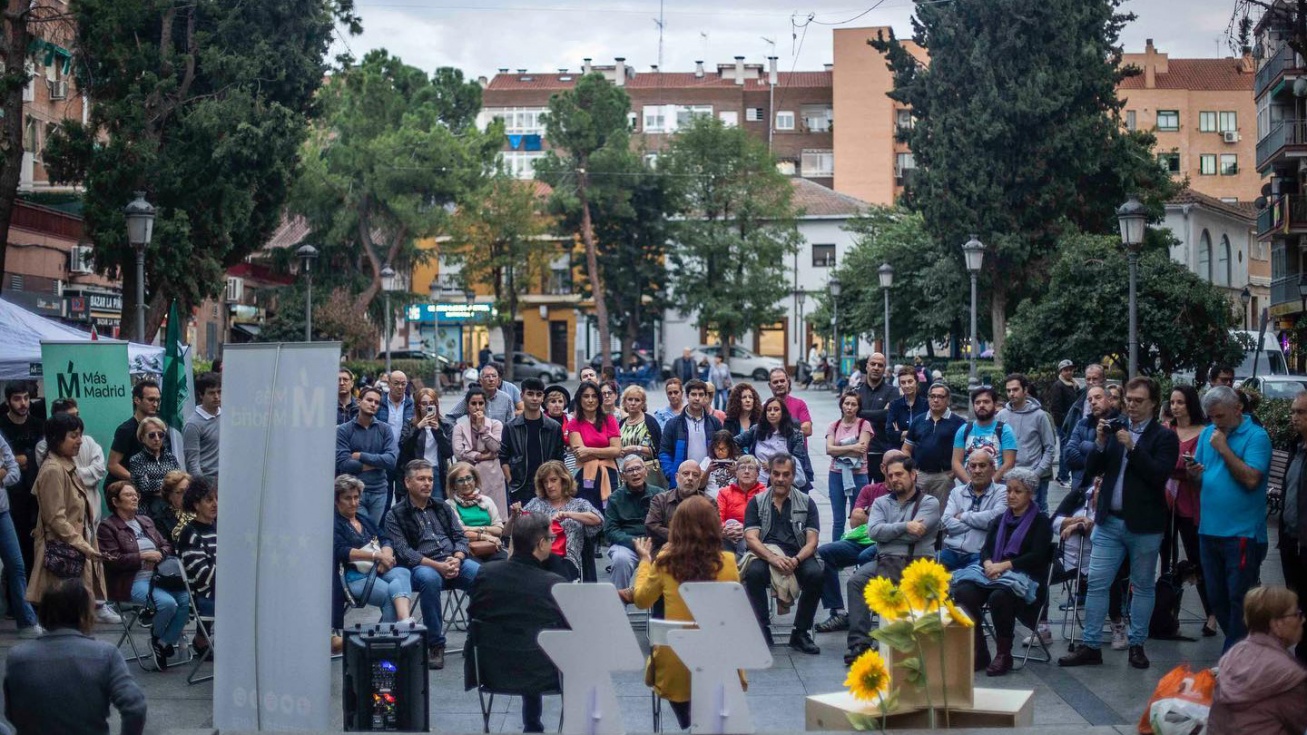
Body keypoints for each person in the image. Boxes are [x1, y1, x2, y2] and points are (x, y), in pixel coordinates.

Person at [1059, 377, 1178, 670]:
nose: (1132, 406)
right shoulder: (1115, 427)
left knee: (1142, 585)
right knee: (1097, 582)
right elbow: (1092, 470)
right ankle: (1090, 646)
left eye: (1139, 401)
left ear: (1153, 403)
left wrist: (1134, 448)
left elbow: (1158, 475)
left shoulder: (1164, 437)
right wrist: (1100, 443)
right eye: (1129, 400)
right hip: (1109, 522)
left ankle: (1137, 645)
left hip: (1145, 524)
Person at [633, 495, 742, 729]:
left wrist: (644, 561)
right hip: (719, 662)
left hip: (676, 665)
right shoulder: (729, 562)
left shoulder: (664, 562)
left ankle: (691, 722)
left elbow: (642, 600)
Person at [464, 513, 567, 734]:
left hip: (490, 669)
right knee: (541, 644)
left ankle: (533, 724)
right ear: (540, 544)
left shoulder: (485, 574)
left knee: (525, 640)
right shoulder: (554, 584)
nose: (552, 541)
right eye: (551, 538)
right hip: (544, 674)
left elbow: (473, 615)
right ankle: (533, 725)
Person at [4, 578, 147, 735]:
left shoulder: (17, 658)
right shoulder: (106, 654)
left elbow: (11, 713)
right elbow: (135, 707)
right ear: (83, 615)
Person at [1188, 385, 1273, 652]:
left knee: (1239, 598)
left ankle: (1234, 658)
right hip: (1209, 530)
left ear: (1238, 409)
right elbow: (1202, 479)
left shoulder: (1256, 436)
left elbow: (1250, 479)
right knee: (1217, 598)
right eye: (1211, 417)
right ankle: (1240, 651)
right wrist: (1193, 473)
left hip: (1243, 534)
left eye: (1220, 416)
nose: (1216, 423)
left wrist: (1224, 449)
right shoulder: (1207, 435)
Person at [950, 467, 1052, 676]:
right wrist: (988, 563)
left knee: (1000, 596)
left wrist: (1004, 566)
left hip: (1026, 578)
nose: (1011, 495)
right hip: (993, 574)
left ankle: (1004, 654)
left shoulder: (1040, 522)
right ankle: (978, 650)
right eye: (1009, 490)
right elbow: (986, 548)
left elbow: (1038, 556)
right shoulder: (1000, 519)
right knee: (963, 591)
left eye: (1018, 491)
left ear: (1030, 494)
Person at [844, 456, 941, 664]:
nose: (894, 479)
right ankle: (859, 644)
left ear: (913, 475)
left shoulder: (930, 503)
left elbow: (919, 533)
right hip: (886, 561)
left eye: (900, 474)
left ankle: (908, 640)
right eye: (890, 476)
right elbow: (874, 532)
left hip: (917, 562)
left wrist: (890, 532)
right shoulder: (880, 503)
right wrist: (906, 526)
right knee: (856, 581)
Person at [385, 459, 479, 670]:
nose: (427, 483)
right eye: (421, 479)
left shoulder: (442, 506)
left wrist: (458, 557)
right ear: (407, 483)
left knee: (481, 576)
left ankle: (475, 638)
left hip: (452, 560)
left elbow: (460, 537)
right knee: (429, 578)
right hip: (422, 566)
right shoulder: (395, 514)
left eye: (430, 479)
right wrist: (438, 566)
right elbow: (405, 552)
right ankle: (435, 645)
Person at [98, 482, 191, 670]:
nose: (135, 498)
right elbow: (111, 559)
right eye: (129, 495)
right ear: (115, 501)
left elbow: (166, 545)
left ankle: (162, 642)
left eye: (136, 494)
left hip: (159, 576)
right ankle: (159, 639)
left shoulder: (145, 521)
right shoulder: (108, 527)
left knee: (186, 601)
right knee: (167, 604)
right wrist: (141, 556)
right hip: (131, 580)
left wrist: (159, 555)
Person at [813, 450, 907, 635]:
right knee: (823, 553)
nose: (894, 475)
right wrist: (875, 514)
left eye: (900, 470)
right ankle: (838, 612)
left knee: (865, 558)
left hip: (884, 544)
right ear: (882, 468)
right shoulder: (870, 490)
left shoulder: (906, 492)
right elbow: (854, 520)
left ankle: (865, 613)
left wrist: (871, 514)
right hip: (861, 540)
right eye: (891, 469)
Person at [28, 412, 110, 619]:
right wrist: (84, 546)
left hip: (74, 552)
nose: (80, 441)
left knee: (78, 611)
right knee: (64, 615)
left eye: (80, 435)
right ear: (56, 438)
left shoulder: (67, 466)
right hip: (61, 556)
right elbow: (56, 519)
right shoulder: (53, 470)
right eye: (73, 435)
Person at [742, 453, 822, 653]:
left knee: (817, 573)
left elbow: (812, 542)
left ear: (793, 476)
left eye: (786, 474)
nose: (780, 479)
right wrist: (773, 558)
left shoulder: (806, 502)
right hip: (766, 553)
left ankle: (800, 632)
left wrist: (795, 560)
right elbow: (751, 538)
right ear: (769, 474)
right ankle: (762, 629)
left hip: (798, 554)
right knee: (753, 573)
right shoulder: (757, 502)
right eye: (776, 474)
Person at [1208, 586, 1307, 734]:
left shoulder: (1233, 654)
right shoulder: (1290, 674)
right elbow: (1299, 724)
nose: (1303, 619)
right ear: (1277, 624)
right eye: (1297, 614)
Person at [1051, 478, 1130, 649]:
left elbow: (1111, 532)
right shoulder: (1079, 496)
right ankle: (1042, 626)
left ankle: (1118, 624)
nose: (1099, 488)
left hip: (1099, 559)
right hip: (1068, 559)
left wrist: (1086, 526)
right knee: (1041, 573)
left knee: (1109, 576)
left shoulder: (1116, 505)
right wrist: (1077, 521)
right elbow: (1054, 521)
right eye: (1098, 483)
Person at [1164, 385, 1217, 637]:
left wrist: (1188, 469)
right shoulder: (1166, 430)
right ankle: (1168, 612)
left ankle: (1212, 613)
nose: (1175, 407)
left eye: (1180, 402)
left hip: (1193, 501)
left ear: (1191, 405)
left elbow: (1205, 468)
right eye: (1172, 402)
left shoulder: (1206, 433)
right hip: (1166, 499)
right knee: (1167, 559)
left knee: (1198, 558)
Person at [333, 474, 414, 622]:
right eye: (347, 498)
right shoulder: (334, 523)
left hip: (376, 570)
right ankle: (388, 641)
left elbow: (385, 538)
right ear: (336, 501)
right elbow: (340, 551)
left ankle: (404, 621)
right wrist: (376, 556)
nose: (353, 502)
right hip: (353, 576)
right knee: (389, 596)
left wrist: (386, 555)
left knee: (403, 572)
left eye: (356, 497)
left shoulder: (363, 519)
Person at [519, 460, 603, 581]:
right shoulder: (535, 503)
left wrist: (568, 514)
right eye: (545, 482)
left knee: (554, 570)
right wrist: (514, 516)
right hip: (537, 557)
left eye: (553, 480)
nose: (549, 486)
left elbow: (598, 519)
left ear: (564, 481)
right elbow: (519, 529)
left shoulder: (579, 504)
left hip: (568, 559)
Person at [34, 398, 108, 521]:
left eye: (77, 415)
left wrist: (72, 475)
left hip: (93, 515)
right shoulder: (43, 447)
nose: (76, 420)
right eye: (71, 416)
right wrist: (84, 473)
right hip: (69, 521)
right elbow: (57, 479)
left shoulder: (88, 441)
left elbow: (99, 470)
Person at [335, 386, 399, 524]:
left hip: (379, 491)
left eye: (376, 402)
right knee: (359, 531)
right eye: (369, 400)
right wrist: (377, 463)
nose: (373, 404)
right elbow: (344, 464)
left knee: (372, 533)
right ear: (359, 401)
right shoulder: (343, 430)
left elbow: (391, 461)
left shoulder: (385, 429)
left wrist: (361, 456)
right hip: (352, 492)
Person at [996, 373, 1058, 513]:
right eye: (1008, 390)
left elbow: (1050, 448)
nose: (1011, 393)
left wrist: (1037, 473)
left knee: (1037, 514)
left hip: (1032, 475)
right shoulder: (1001, 416)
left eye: (1015, 389)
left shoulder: (1040, 416)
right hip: (1008, 476)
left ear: (1025, 390)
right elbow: (997, 446)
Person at [500, 378, 565, 508]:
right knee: (522, 525)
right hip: (520, 486)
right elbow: (503, 457)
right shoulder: (510, 427)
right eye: (530, 394)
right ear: (522, 396)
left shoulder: (554, 427)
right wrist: (510, 480)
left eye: (538, 394)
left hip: (547, 485)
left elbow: (559, 458)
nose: (534, 398)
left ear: (543, 398)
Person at [939, 450, 1007, 571]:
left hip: (980, 554)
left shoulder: (1002, 492)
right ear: (968, 468)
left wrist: (964, 516)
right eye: (973, 466)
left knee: (965, 584)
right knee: (925, 577)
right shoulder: (957, 492)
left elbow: (995, 520)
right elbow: (945, 522)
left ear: (992, 468)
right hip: (951, 552)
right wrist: (979, 524)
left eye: (982, 465)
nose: (977, 470)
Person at [2, 382, 44, 570]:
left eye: (26, 398)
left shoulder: (38, 425)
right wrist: (17, 461)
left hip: (35, 491)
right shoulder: (2, 426)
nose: (23, 403)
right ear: (8, 401)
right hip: (10, 494)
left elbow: (41, 456)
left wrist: (24, 458)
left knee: (34, 542)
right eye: (17, 399)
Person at [0, 434, 39, 637]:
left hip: (2, 512)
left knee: (16, 565)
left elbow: (14, 472)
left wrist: (2, 475)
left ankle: (27, 621)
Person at [902, 381, 965, 506]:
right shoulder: (918, 421)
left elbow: (965, 452)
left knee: (941, 518)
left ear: (948, 400)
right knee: (917, 514)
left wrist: (953, 474)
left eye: (940, 397)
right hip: (919, 476)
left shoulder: (959, 423)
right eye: (932, 396)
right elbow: (906, 449)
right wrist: (911, 470)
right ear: (928, 398)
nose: (936, 400)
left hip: (944, 477)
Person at [605, 455, 657, 599]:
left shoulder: (659, 494)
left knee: (669, 559)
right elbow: (610, 530)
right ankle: (616, 612)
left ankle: (661, 614)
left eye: (638, 468)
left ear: (646, 471)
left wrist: (652, 543)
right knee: (620, 560)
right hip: (627, 545)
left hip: (654, 545)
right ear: (623, 476)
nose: (635, 473)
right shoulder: (615, 498)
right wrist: (635, 543)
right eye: (630, 470)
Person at [452, 386, 508, 518]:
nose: (477, 407)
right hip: (468, 474)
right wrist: (482, 456)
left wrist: (482, 428)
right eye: (473, 403)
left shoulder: (495, 424)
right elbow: (459, 453)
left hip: (492, 475)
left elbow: (496, 448)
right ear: (467, 406)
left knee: (495, 514)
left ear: (485, 405)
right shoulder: (459, 427)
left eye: (481, 403)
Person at [566, 380, 622, 511]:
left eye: (594, 396)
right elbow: (581, 454)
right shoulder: (574, 423)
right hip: (584, 474)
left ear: (599, 398)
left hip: (609, 473)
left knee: (610, 512)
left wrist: (589, 450)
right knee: (587, 512)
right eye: (586, 396)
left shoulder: (610, 420)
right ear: (579, 399)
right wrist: (605, 451)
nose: (590, 400)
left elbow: (616, 450)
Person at [176, 476, 217, 653]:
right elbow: (204, 577)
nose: (215, 503)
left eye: (217, 498)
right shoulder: (190, 533)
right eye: (209, 500)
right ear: (196, 505)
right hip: (205, 594)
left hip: (223, 589)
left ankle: (202, 640)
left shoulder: (221, 527)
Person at [734, 396, 812, 490]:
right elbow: (733, 443)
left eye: (776, 410)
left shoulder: (794, 434)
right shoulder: (756, 430)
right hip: (757, 484)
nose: (772, 413)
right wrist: (749, 461)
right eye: (769, 410)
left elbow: (798, 461)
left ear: (783, 413)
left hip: (785, 484)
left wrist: (774, 464)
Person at [826, 391, 872, 541]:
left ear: (858, 407)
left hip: (859, 475)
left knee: (858, 517)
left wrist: (839, 451)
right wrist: (852, 447)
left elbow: (862, 450)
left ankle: (856, 552)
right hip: (836, 474)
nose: (849, 407)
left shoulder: (864, 425)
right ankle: (835, 552)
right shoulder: (834, 425)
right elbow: (829, 449)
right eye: (847, 403)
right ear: (841, 405)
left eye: (853, 404)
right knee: (838, 519)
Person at [659, 379, 722, 489]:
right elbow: (664, 452)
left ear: (706, 397)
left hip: (708, 481)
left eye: (701, 395)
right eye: (693, 394)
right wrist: (671, 473)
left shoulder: (714, 423)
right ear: (687, 396)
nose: (697, 398)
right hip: (682, 482)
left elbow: (722, 449)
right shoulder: (673, 424)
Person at [1282, 391, 1307, 664]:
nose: (1294, 418)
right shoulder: (1296, 447)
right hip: (1290, 539)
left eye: (1301, 412)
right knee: (1297, 603)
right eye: (1293, 411)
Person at [646, 461, 717, 555]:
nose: (690, 478)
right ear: (676, 477)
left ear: (699, 481)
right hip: (666, 549)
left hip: (700, 551)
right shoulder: (660, 500)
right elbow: (651, 526)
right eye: (686, 474)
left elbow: (714, 530)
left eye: (695, 475)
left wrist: (682, 541)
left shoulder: (709, 503)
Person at [952, 386, 1018, 484]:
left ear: (995, 404)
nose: (981, 405)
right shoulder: (964, 430)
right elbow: (956, 462)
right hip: (967, 489)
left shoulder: (1004, 430)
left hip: (996, 490)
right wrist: (970, 485)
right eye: (977, 402)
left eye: (986, 402)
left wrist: (989, 485)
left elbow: (1009, 463)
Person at [398, 387, 454, 502]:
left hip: (437, 472)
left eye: (431, 403)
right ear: (418, 406)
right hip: (416, 471)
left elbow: (448, 452)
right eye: (424, 404)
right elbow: (404, 447)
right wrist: (418, 427)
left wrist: (437, 431)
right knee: (415, 506)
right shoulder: (410, 424)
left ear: (436, 405)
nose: (428, 406)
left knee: (437, 505)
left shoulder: (445, 425)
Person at [445, 462, 507, 562]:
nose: (466, 483)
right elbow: (459, 532)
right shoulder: (449, 505)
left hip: (492, 546)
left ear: (475, 479)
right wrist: (486, 535)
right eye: (460, 480)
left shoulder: (487, 500)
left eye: (468, 478)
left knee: (505, 565)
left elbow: (499, 529)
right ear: (454, 485)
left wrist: (477, 529)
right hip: (466, 549)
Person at [108, 379, 164, 483]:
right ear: (137, 400)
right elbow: (112, 465)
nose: (155, 404)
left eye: (158, 400)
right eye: (151, 400)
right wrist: (139, 479)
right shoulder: (126, 429)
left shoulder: (160, 426)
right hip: (125, 489)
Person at [127, 417, 182, 519]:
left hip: (173, 511)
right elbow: (144, 486)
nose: (157, 439)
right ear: (142, 437)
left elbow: (180, 482)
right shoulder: (136, 460)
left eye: (160, 435)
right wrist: (170, 485)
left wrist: (156, 486)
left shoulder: (171, 458)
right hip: (148, 513)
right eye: (152, 435)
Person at [854, 354, 897, 482]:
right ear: (867, 366)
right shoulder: (856, 391)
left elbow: (888, 415)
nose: (876, 368)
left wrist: (860, 413)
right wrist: (880, 413)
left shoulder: (892, 391)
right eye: (873, 364)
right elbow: (847, 417)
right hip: (860, 454)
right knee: (860, 499)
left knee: (884, 498)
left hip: (883, 453)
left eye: (880, 365)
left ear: (884, 369)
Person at [1063, 386, 1114, 491]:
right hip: (1081, 488)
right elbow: (1068, 455)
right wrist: (1095, 458)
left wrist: (1084, 446)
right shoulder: (1082, 424)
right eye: (1090, 400)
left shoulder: (1119, 424)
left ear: (1109, 399)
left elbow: (1112, 459)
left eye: (1098, 397)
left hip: (1107, 490)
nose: (1093, 402)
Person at [718, 456, 765, 555]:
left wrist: (745, 531)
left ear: (757, 474)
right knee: (731, 522)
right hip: (729, 538)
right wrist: (726, 531)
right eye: (743, 468)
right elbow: (718, 520)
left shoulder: (765, 493)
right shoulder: (724, 493)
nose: (746, 471)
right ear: (736, 473)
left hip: (757, 539)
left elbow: (767, 522)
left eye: (751, 468)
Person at [182, 371, 221, 477]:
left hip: (229, 479)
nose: (216, 396)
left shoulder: (228, 417)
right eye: (211, 393)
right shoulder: (193, 424)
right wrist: (203, 487)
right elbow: (192, 463)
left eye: (219, 392)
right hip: (208, 480)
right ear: (200, 395)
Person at [448, 365, 517, 425]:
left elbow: (511, 424)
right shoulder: (473, 397)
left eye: (494, 376)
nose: (491, 379)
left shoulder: (506, 398)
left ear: (498, 380)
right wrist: (458, 433)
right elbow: (449, 417)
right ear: (480, 381)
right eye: (487, 376)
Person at [618, 384, 662, 476]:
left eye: (637, 400)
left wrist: (634, 448)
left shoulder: (650, 422)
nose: (633, 403)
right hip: (625, 471)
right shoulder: (621, 423)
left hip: (647, 472)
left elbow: (657, 451)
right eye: (630, 399)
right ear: (625, 402)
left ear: (643, 403)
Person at [1059, 363, 1106, 440]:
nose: (1091, 382)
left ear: (1103, 380)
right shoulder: (1078, 401)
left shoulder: (1111, 399)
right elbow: (1065, 431)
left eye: (1095, 379)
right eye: (1088, 379)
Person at [1050, 360, 1078, 485]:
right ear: (1061, 371)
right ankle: (1063, 476)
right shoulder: (1058, 386)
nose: (1069, 372)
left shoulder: (1074, 385)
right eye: (1066, 370)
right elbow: (1055, 407)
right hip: (1064, 423)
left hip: (1073, 421)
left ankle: (1065, 474)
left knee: (1069, 448)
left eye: (1070, 369)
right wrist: (1061, 424)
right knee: (1064, 449)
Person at [885, 366, 927, 450]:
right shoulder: (894, 405)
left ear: (916, 382)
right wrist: (915, 433)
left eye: (910, 381)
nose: (907, 385)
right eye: (903, 383)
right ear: (900, 385)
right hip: (899, 451)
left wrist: (901, 433)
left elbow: (928, 432)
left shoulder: (926, 404)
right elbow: (889, 433)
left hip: (921, 451)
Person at [767, 367, 812, 440]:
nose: (779, 384)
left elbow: (807, 430)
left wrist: (777, 429)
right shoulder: (765, 406)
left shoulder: (799, 404)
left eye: (782, 381)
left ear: (787, 382)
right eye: (775, 382)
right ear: (770, 385)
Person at [150, 471, 194, 543]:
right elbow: (165, 545)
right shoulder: (160, 518)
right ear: (169, 496)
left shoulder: (200, 511)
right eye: (180, 492)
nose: (186, 495)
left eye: (188, 491)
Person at [543, 384, 576, 474]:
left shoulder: (571, 419)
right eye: (553, 401)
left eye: (560, 401)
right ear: (546, 404)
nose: (557, 405)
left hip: (570, 464)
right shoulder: (541, 420)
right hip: (547, 464)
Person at [700, 430, 740, 498]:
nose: (720, 452)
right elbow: (700, 485)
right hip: (710, 500)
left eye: (723, 449)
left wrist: (736, 473)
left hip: (731, 500)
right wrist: (708, 471)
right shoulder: (707, 460)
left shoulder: (737, 462)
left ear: (730, 448)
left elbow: (745, 486)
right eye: (717, 448)